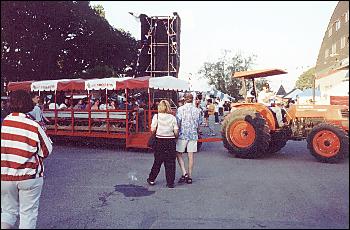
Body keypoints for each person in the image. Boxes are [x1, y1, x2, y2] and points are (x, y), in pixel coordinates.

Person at [1, 90, 53, 229]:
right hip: (30, 176)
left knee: (7, 212)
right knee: (28, 214)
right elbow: (47, 150)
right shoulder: (33, 125)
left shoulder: (4, 124)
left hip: (5, 176)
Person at [147, 100, 179, 188]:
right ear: (168, 107)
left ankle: (151, 179)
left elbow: (153, 129)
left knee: (157, 161)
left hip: (159, 140)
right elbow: (176, 131)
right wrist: (175, 136)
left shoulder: (156, 116)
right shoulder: (172, 118)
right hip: (170, 141)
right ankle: (170, 183)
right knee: (171, 162)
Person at [176, 93, 202, 184]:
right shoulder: (197, 110)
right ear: (192, 99)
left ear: (184, 99)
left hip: (183, 134)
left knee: (178, 153)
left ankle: (184, 172)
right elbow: (199, 123)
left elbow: (178, 122)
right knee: (190, 156)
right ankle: (190, 176)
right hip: (193, 134)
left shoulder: (180, 109)